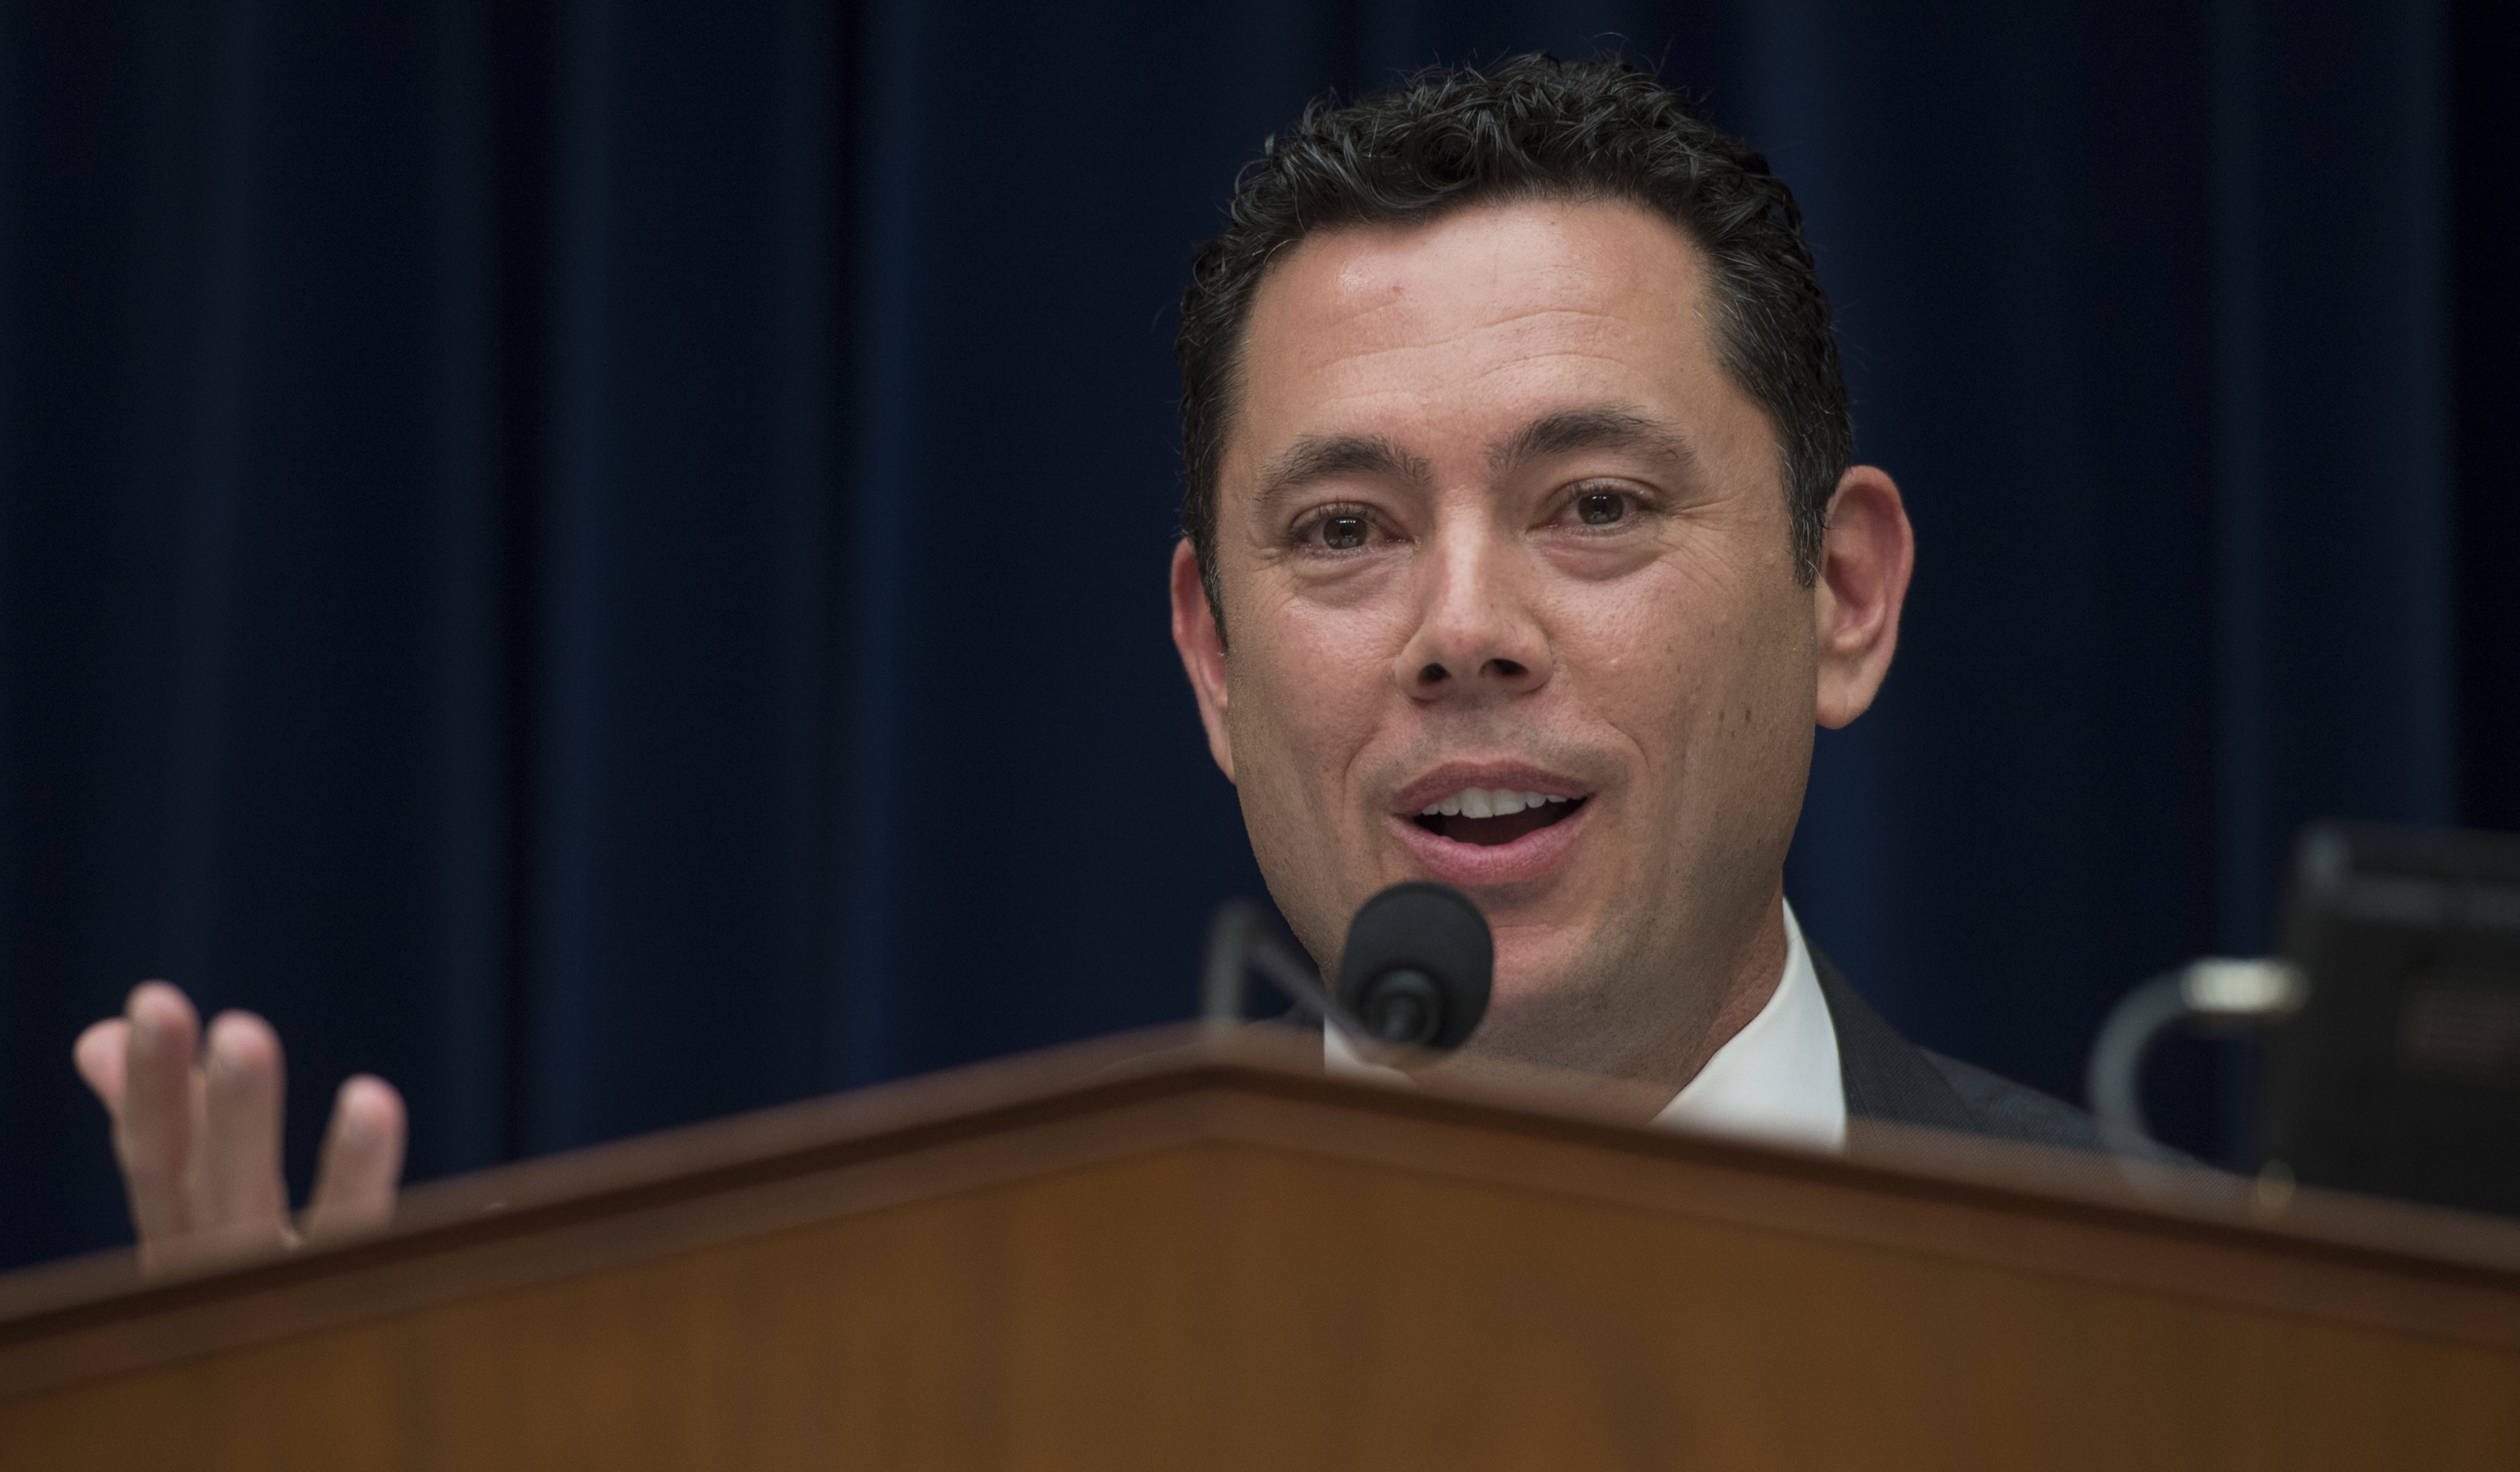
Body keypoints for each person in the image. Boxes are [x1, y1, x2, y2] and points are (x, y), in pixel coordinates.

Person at [72, 56, 2135, 1269]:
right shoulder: (910, 1377)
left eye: (1592, 504)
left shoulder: (2206, 1318)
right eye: (1341, 532)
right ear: (1211, 659)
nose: (1464, 629)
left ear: (1841, 593)